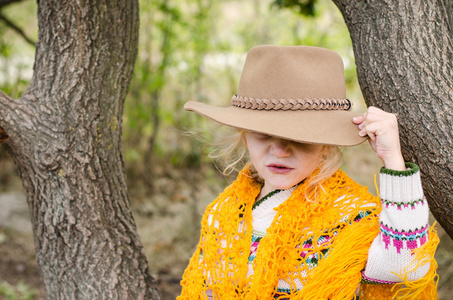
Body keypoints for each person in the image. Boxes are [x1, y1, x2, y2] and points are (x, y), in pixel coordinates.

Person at [178, 45, 438, 300]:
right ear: (245, 137)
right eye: (264, 134)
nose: (280, 151)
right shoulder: (222, 215)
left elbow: (407, 266)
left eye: (301, 138)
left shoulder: (349, 216)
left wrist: (392, 158)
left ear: (326, 145)